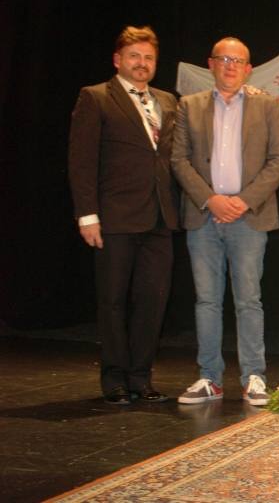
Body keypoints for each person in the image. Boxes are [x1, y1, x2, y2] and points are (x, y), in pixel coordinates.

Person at [172, 37, 279, 406]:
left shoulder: (268, 106)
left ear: (248, 68)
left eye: (237, 61)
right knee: (207, 301)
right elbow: (178, 160)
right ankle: (210, 378)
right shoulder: (188, 106)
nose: (230, 66)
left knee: (248, 300)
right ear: (211, 64)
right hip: (203, 216)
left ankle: (254, 376)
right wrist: (211, 199)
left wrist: (241, 201)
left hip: (248, 218)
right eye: (223, 59)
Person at [68, 25, 178, 405]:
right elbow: (82, 162)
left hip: (160, 218)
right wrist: (88, 216)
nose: (142, 63)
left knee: (153, 300)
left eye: (148, 57)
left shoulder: (167, 101)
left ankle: (141, 378)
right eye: (134, 56)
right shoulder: (96, 97)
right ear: (118, 60)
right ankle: (114, 379)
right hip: (114, 218)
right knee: (113, 300)